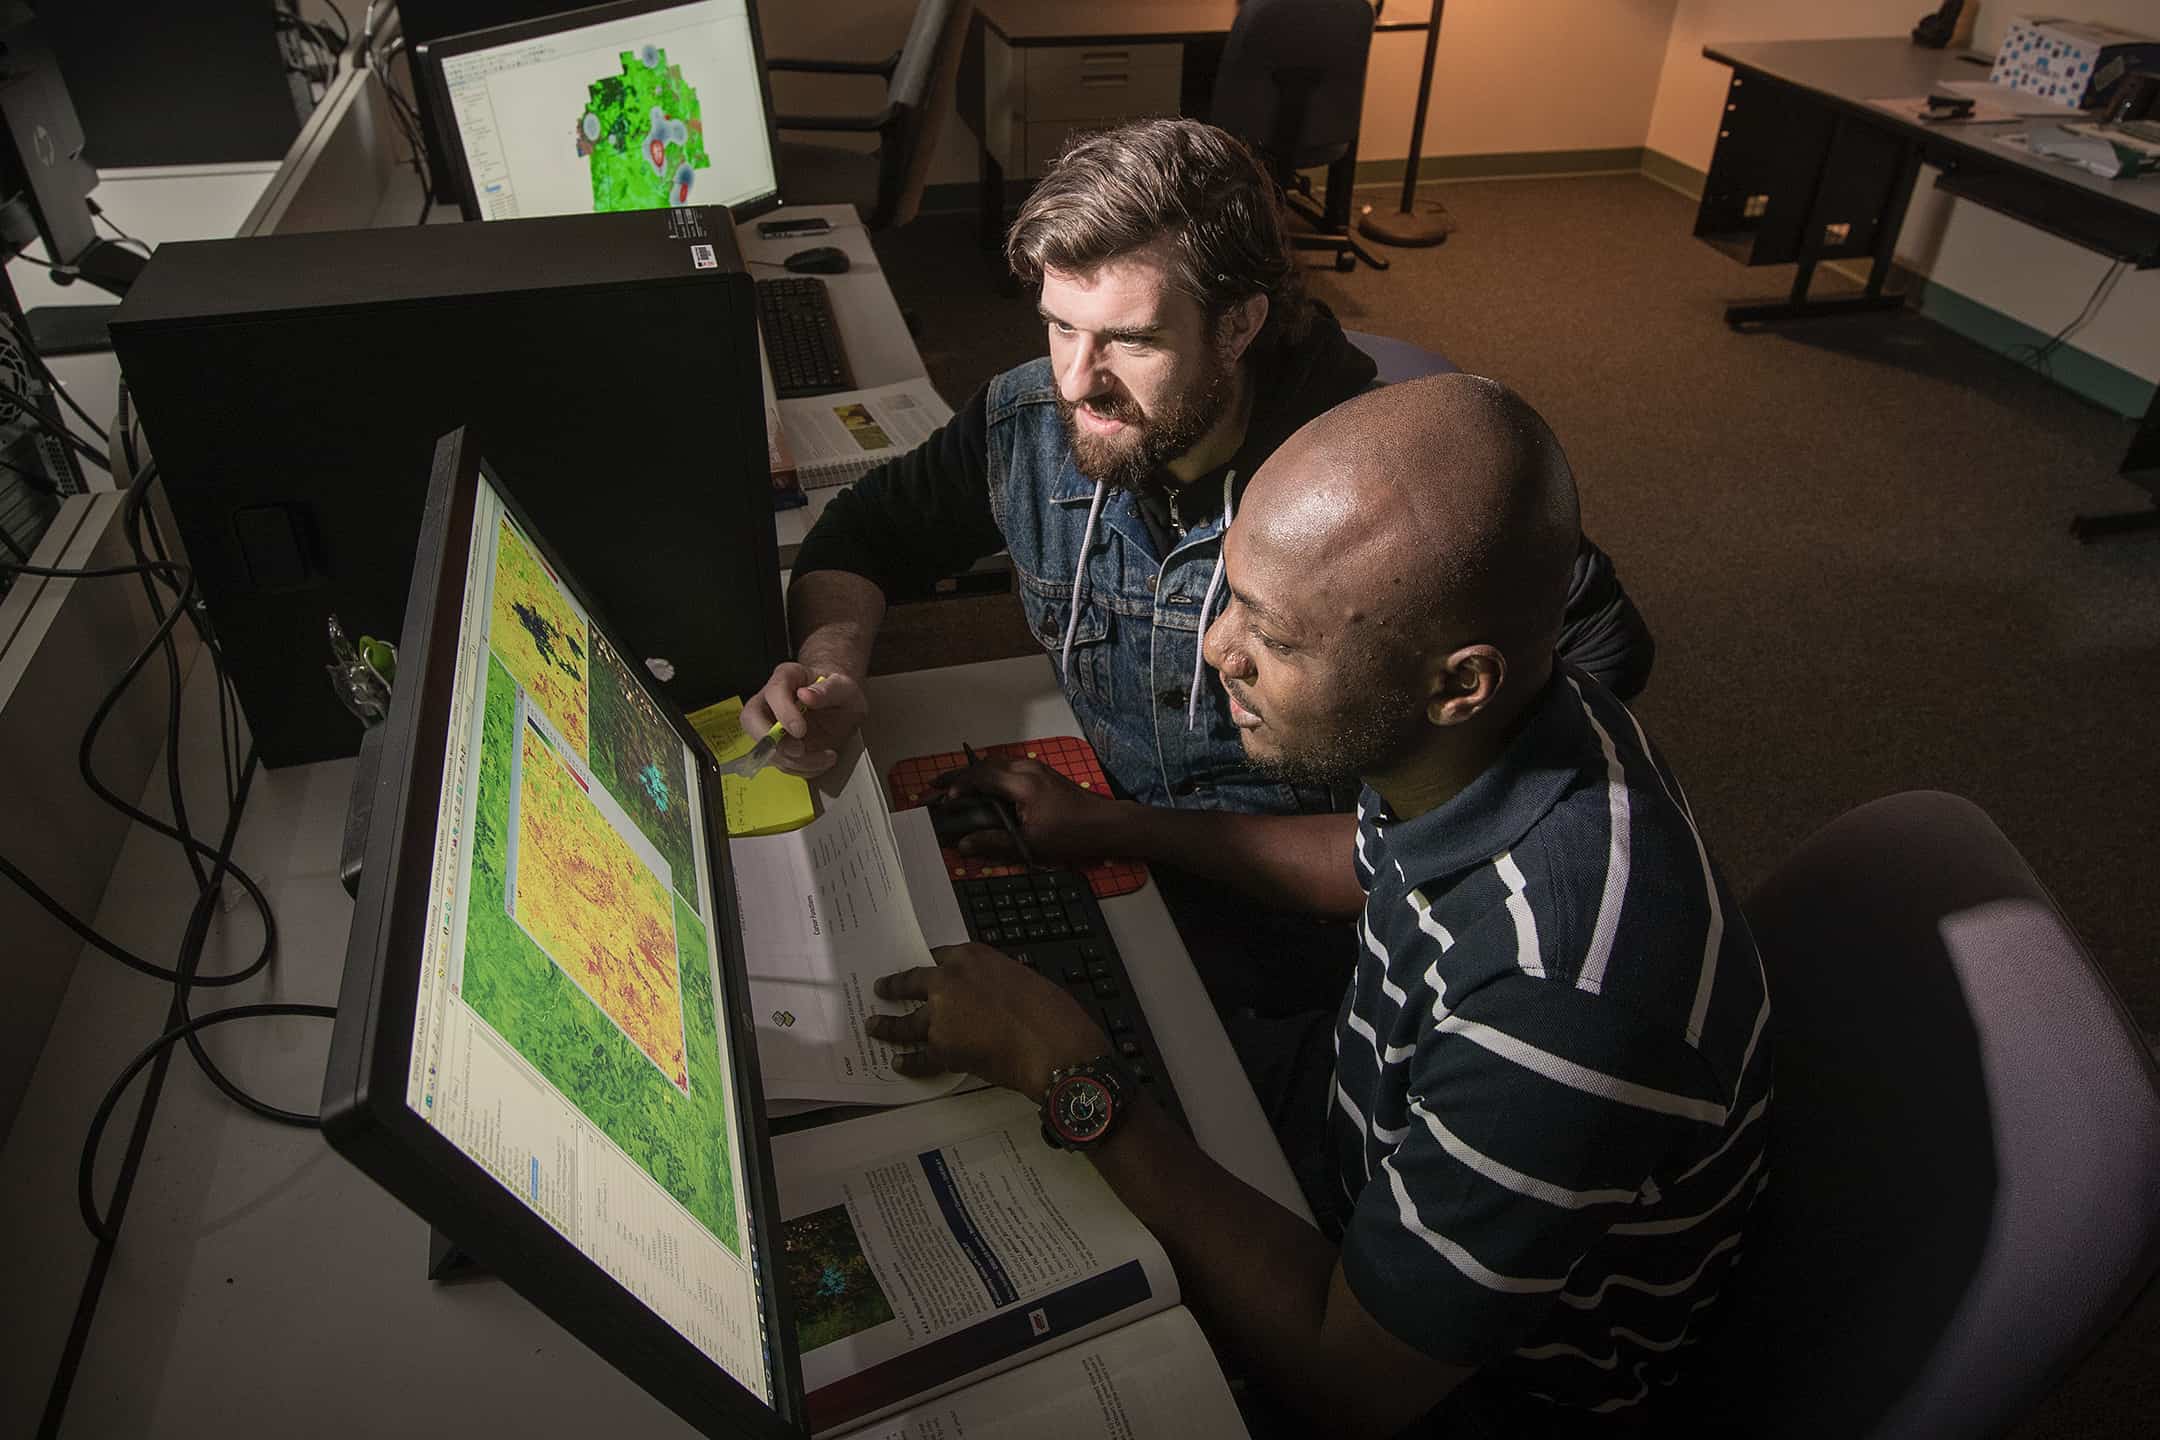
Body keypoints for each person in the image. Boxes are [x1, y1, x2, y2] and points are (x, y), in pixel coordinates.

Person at [861, 375, 1772, 1435]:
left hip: (1447, 1382)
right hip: (1346, 1133)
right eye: (1233, 596)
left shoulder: (1564, 1000)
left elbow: (1354, 1379)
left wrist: (1073, 1078)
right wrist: (1119, 828)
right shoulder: (1532, 718)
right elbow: (1373, 858)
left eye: (1277, 641)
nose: (1218, 651)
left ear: (1456, 684)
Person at [748, 117, 1653, 1014]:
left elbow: (1598, 659)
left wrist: (1130, 829)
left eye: (1130, 341)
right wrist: (832, 672)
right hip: (1109, 847)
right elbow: (860, 538)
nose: (1074, 381)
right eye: (1060, 327)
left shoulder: (1368, 491)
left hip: (1309, 930)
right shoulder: (1030, 419)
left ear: (1239, 323)